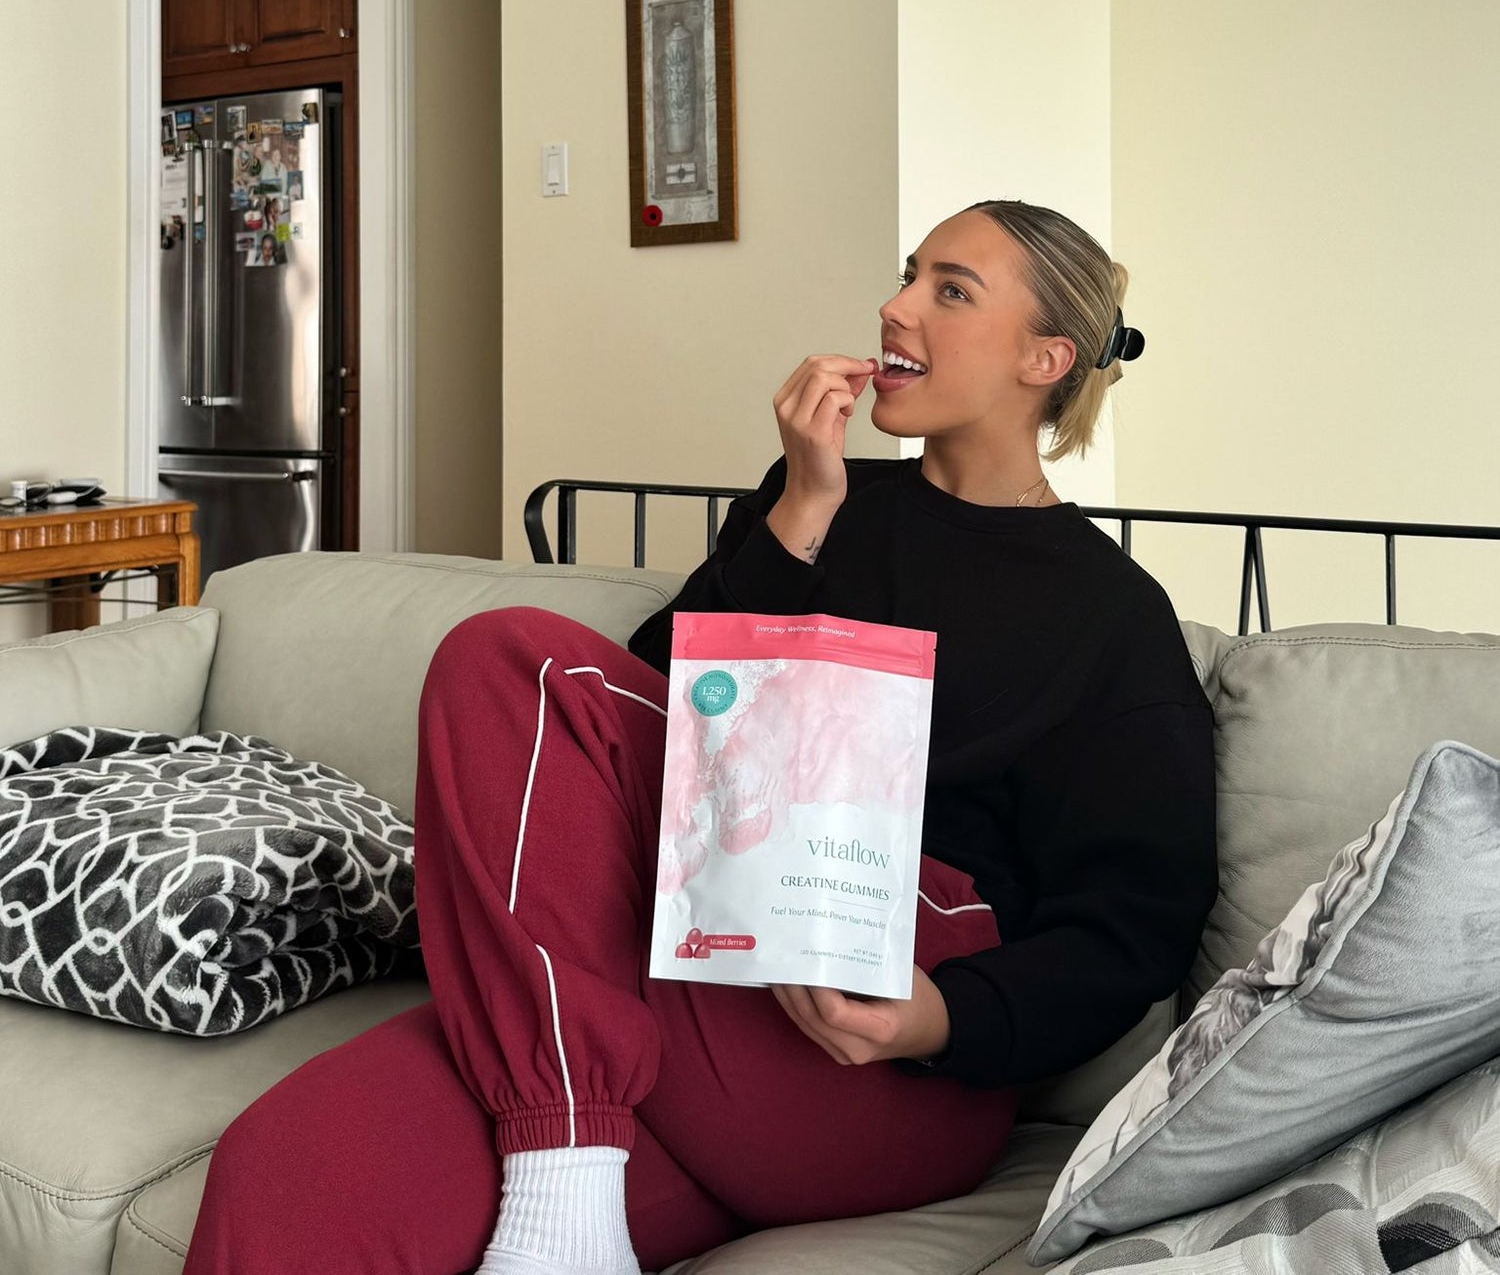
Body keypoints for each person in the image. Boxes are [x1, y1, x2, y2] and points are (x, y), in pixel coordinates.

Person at [183, 198, 1217, 1275]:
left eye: (949, 290)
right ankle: (569, 1176)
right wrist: (802, 508)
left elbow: (1137, 923)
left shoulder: (1111, 614)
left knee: (515, 659)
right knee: (287, 1173)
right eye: (908, 272)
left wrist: (937, 1016)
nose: (896, 305)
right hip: (676, 986)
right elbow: (646, 712)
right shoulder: (819, 498)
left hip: (873, 1051)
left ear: (1044, 359)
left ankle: (564, 1149)